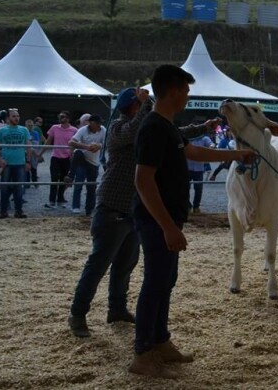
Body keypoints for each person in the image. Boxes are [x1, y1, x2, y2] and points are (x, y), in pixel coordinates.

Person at [130, 65, 254, 378]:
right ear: (173, 91)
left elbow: (193, 152)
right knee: (155, 283)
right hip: (158, 220)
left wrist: (236, 156)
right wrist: (167, 227)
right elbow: (143, 180)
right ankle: (143, 354)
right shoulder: (153, 128)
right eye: (185, 91)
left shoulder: (167, 126)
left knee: (165, 281)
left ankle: (161, 341)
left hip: (168, 218)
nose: (187, 97)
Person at [68, 88, 220, 340]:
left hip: (133, 210)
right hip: (112, 206)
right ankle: (77, 314)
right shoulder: (119, 128)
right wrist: (146, 105)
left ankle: (116, 309)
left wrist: (203, 127)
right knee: (98, 264)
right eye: (143, 105)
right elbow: (136, 129)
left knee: (125, 264)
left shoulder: (146, 130)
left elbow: (175, 134)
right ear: (133, 107)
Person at [0, 109, 31, 219]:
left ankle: (18, 211)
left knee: (19, 188)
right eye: (14, 116)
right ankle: (3, 211)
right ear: (8, 118)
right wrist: (0, 159)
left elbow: (29, 146)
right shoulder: (2, 130)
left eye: (18, 116)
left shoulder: (24, 130)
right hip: (6, 163)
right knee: (4, 188)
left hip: (20, 163)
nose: (16, 118)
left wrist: (28, 161)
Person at [68, 114, 106, 215]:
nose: (99, 125)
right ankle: (75, 206)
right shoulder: (83, 130)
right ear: (91, 123)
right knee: (79, 183)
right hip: (83, 160)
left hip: (94, 162)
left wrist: (99, 145)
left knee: (91, 187)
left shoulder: (102, 129)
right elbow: (71, 142)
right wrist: (87, 147)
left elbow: (107, 142)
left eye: (100, 123)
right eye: (97, 123)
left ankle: (89, 210)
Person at [40, 110, 77, 208]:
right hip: (55, 156)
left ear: (68, 118)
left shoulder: (74, 130)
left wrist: (74, 157)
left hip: (67, 158)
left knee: (63, 179)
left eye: (63, 116)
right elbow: (48, 142)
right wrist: (40, 154)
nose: (60, 118)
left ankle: (60, 199)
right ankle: (52, 201)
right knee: (54, 178)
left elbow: (76, 144)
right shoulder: (54, 128)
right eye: (59, 116)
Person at [187, 133, 214, 215]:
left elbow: (211, 144)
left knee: (198, 189)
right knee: (185, 188)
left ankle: (196, 206)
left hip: (199, 168)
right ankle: (187, 206)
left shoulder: (204, 138)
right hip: (187, 168)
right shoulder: (187, 139)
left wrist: (212, 146)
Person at [24, 119, 41, 187]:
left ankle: (34, 181)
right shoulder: (24, 133)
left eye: (31, 125)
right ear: (25, 126)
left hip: (33, 153)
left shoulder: (35, 133)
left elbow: (37, 144)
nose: (30, 127)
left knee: (34, 168)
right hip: (25, 153)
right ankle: (27, 183)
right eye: (29, 125)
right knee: (26, 168)